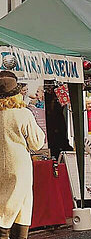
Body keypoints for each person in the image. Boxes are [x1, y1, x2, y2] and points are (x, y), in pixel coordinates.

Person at [0, 71, 45, 239]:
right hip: (20, 167)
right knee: (22, 206)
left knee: (4, 205)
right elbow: (37, 143)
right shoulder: (23, 114)